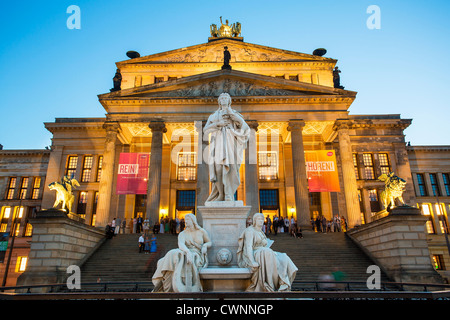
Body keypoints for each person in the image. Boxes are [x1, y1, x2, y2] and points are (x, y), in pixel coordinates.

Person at [203, 93, 250, 202]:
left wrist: (232, 115)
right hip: (218, 143)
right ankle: (220, 194)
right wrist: (217, 124)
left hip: (231, 142)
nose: (223, 100)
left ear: (229, 101)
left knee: (231, 168)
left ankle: (229, 194)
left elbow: (245, 127)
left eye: (226, 98)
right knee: (218, 168)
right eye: (222, 98)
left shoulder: (234, 113)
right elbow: (206, 130)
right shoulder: (214, 116)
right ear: (219, 101)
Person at [237, 213, 298, 292]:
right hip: (254, 253)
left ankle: (283, 282)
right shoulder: (250, 231)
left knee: (284, 256)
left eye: (262, 219)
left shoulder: (261, 232)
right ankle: (269, 285)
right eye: (259, 219)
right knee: (267, 252)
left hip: (264, 252)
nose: (261, 221)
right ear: (254, 220)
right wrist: (252, 261)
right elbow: (248, 247)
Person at [152, 214, 212, 292]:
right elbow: (181, 245)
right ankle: (166, 282)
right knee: (172, 253)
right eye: (185, 220)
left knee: (174, 254)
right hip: (185, 251)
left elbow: (209, 242)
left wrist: (205, 246)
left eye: (188, 220)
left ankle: (166, 284)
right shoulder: (182, 233)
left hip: (197, 254)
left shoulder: (201, 231)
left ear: (193, 221)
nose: (186, 222)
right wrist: (187, 252)